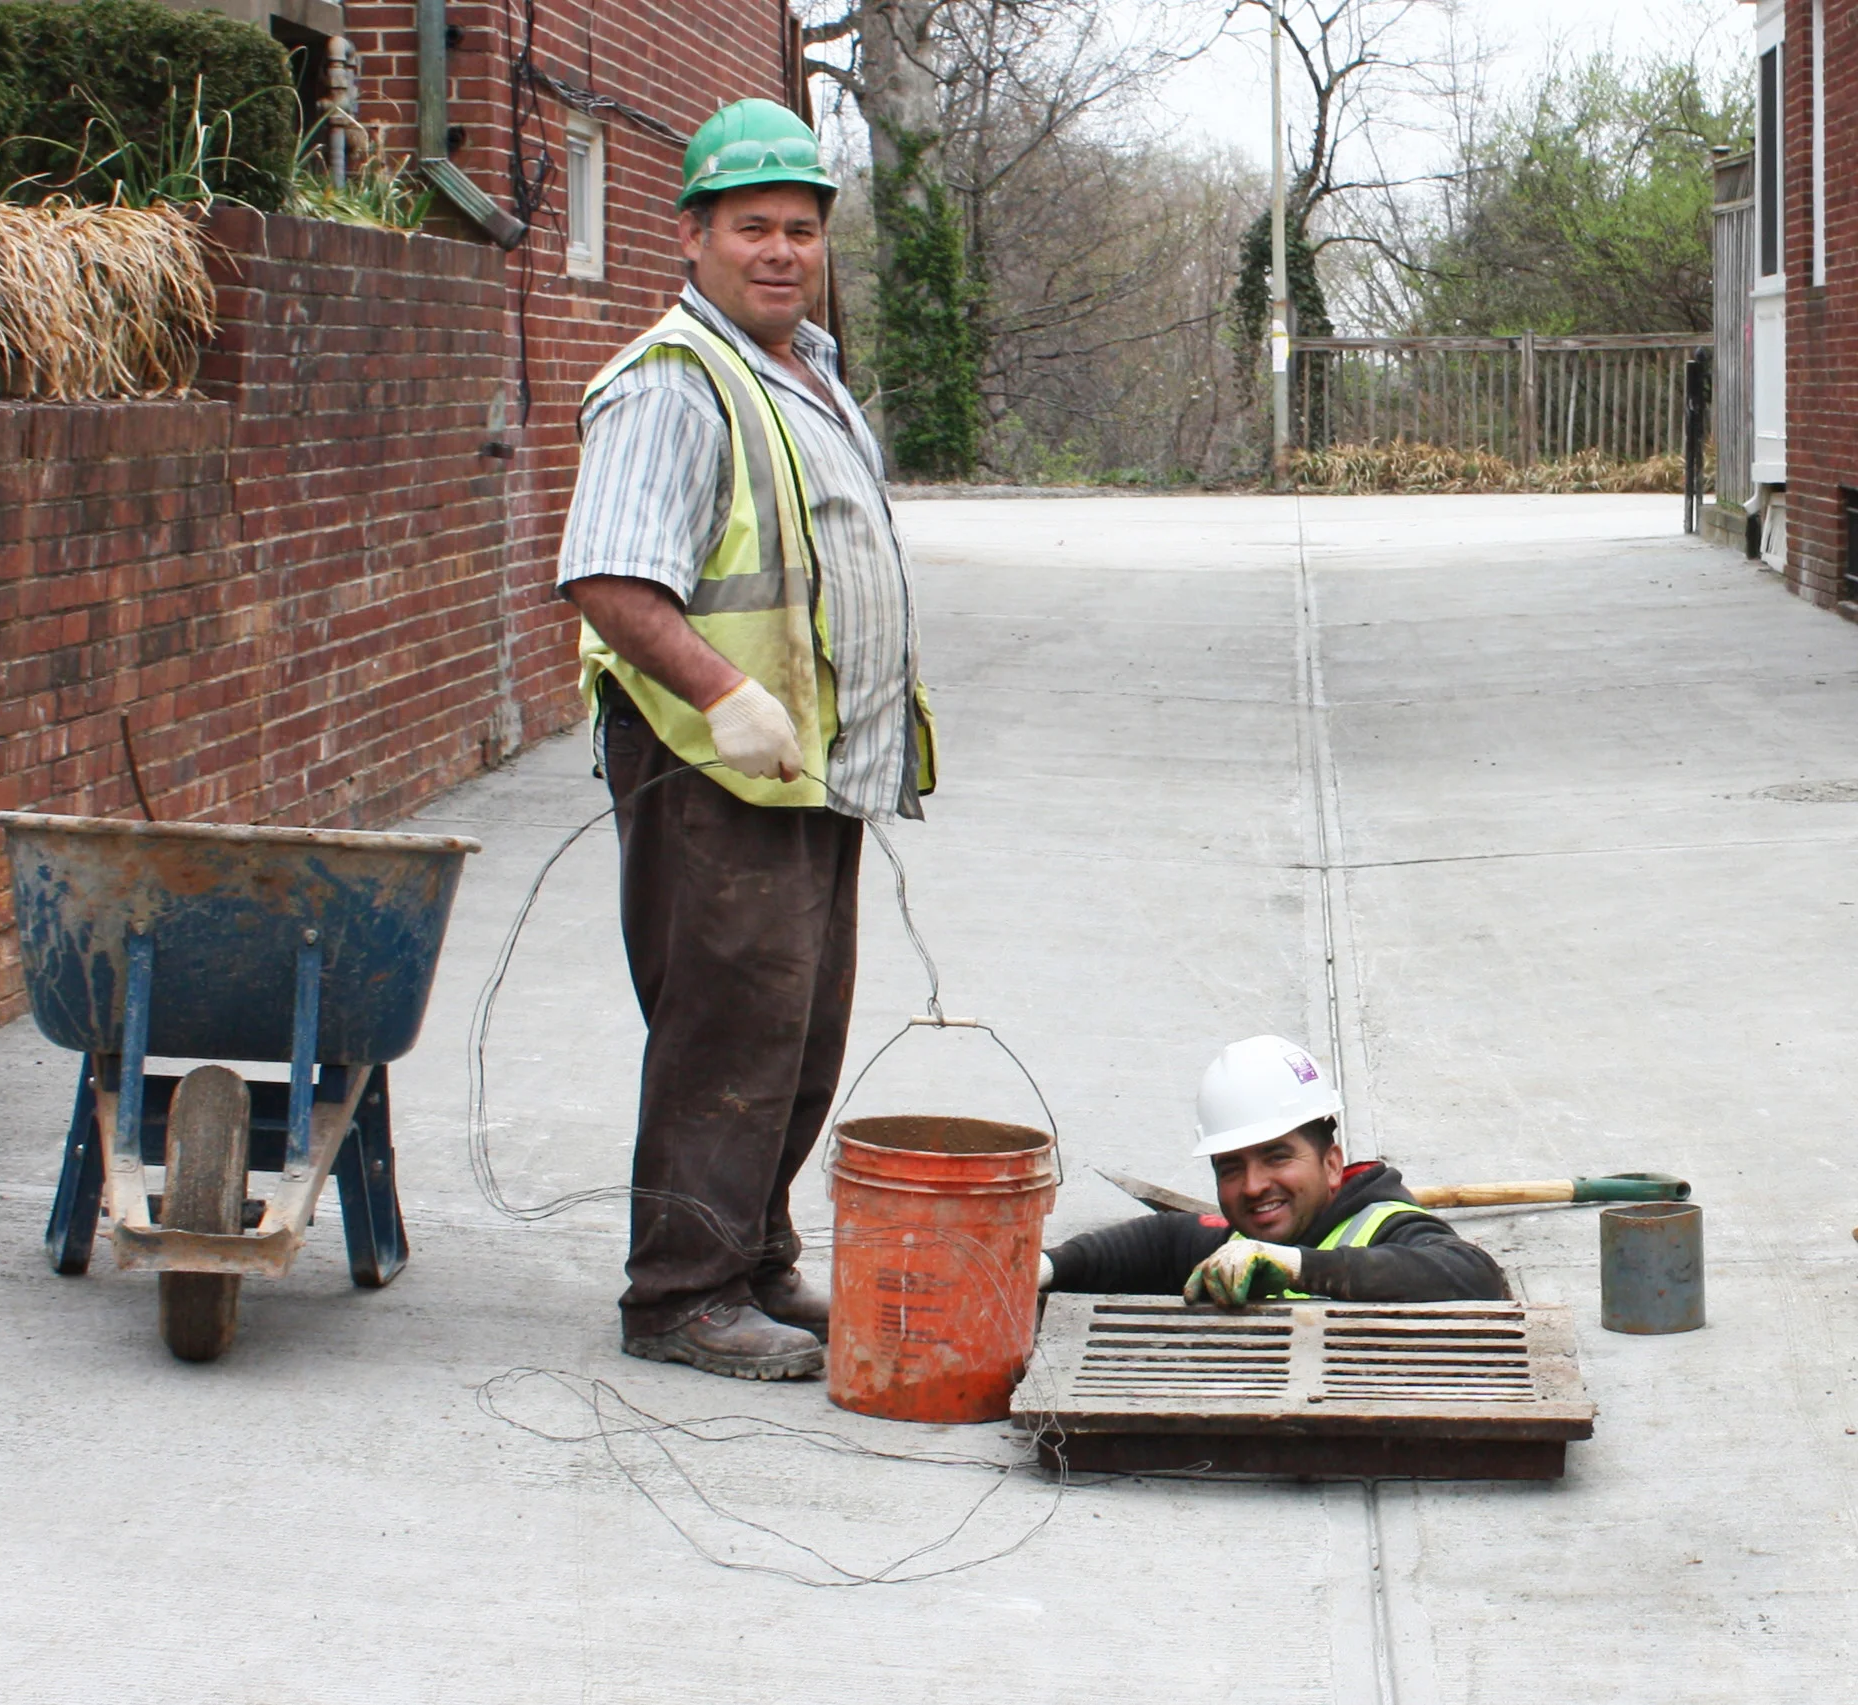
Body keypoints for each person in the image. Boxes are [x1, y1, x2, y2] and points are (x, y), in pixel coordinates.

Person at [556, 99, 935, 1381]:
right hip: (713, 767)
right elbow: (611, 580)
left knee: (798, 1025)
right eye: (751, 228)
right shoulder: (674, 383)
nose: (779, 250)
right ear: (693, 237)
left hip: (809, 768)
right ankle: (679, 1292)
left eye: (800, 229)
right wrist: (724, 692)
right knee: (727, 1021)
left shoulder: (804, 368)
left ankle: (752, 1255)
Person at [1039, 1035, 1510, 1306]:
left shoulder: (1384, 1225)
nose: (1253, 1185)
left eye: (1276, 1156)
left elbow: (1475, 1277)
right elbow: (1162, 1242)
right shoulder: (1242, 1244)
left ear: (1331, 1163)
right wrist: (1045, 1267)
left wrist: (1298, 1268)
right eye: (1230, 1167)